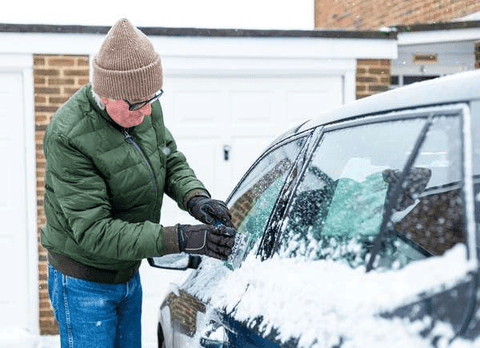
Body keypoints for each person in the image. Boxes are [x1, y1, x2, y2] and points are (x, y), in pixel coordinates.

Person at [42, 18, 237, 348]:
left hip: (128, 274)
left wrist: (195, 198)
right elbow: (95, 231)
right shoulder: (68, 137)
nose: (148, 111)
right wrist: (183, 238)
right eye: (138, 104)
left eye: (153, 98)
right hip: (83, 282)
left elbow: (168, 158)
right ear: (108, 96)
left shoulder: (143, 107)